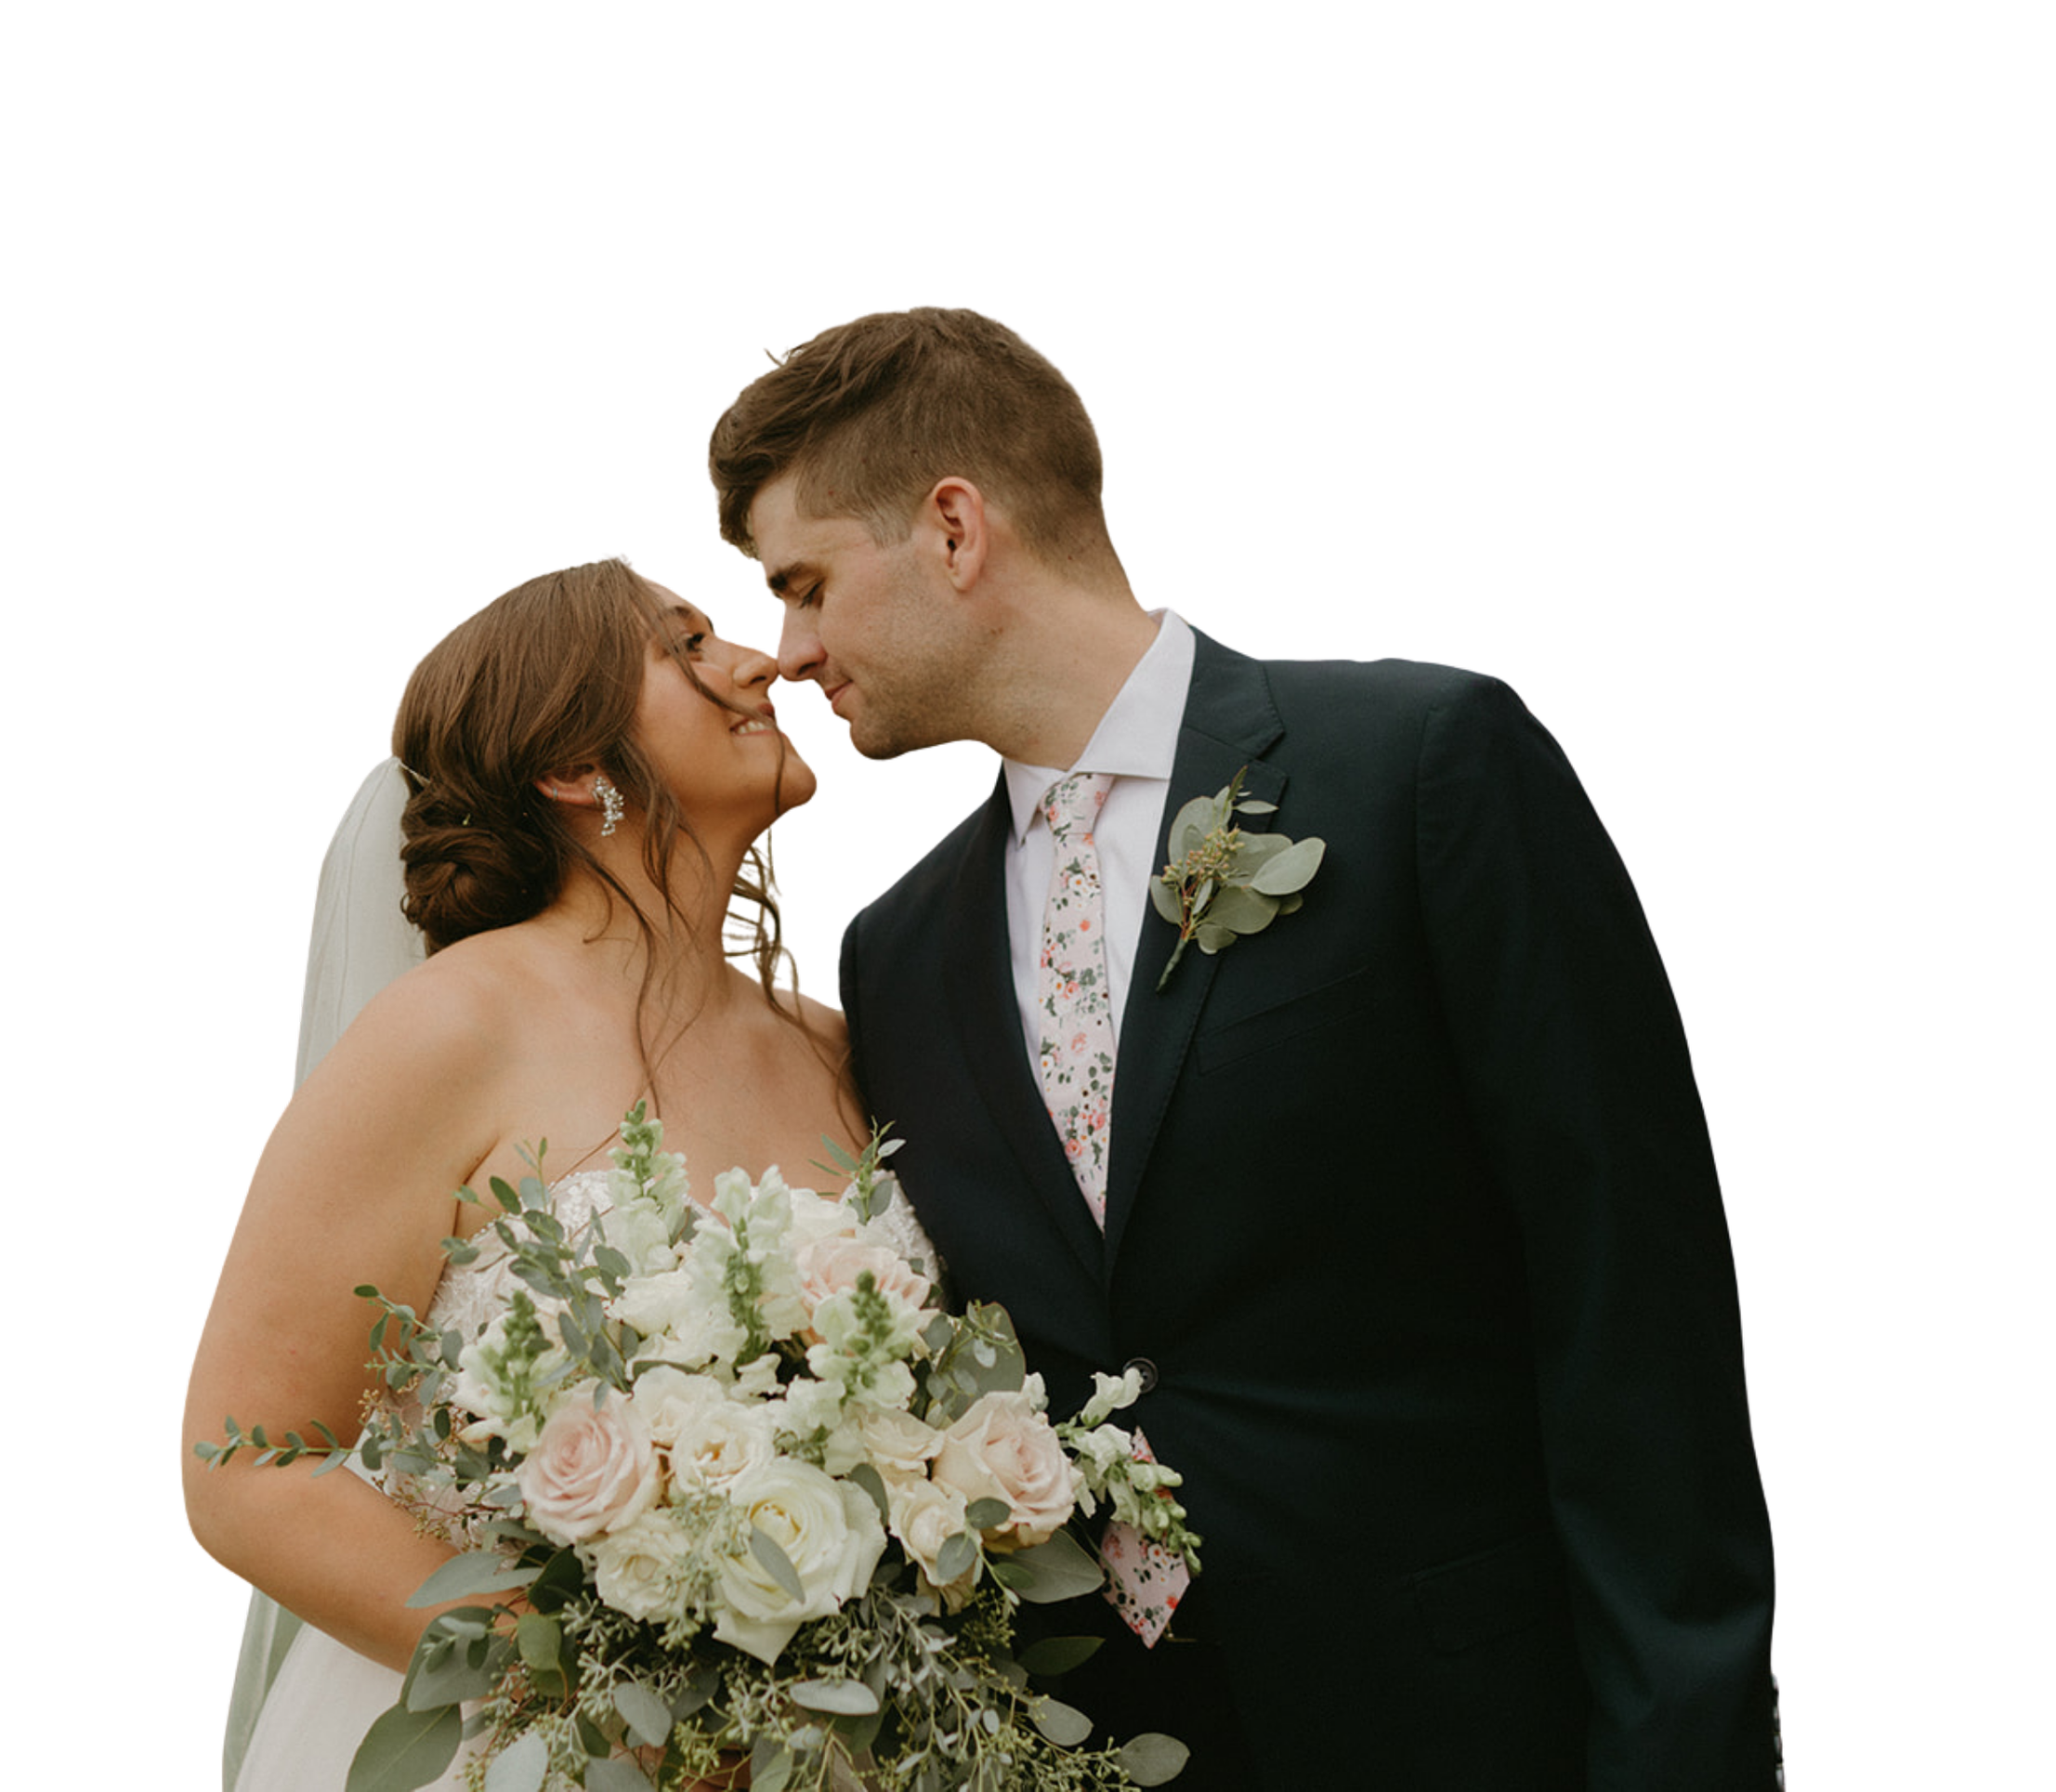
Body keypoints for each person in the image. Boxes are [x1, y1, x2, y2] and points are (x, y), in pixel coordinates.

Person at [705, 306, 1778, 1788]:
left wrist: (1685, 1751)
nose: (795, 651)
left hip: (1475, 1725)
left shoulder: (1419, 766)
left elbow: (1631, 1303)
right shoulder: (897, 954)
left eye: (807, 585)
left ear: (955, 529)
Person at [181, 556, 936, 1789]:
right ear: (576, 769)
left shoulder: (836, 1045)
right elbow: (246, 1469)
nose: (762, 661)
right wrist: (613, 1694)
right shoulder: (449, 1032)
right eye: (688, 645)